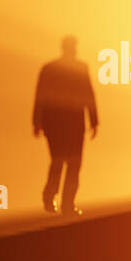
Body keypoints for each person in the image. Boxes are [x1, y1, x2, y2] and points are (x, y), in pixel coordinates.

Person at [33, 35, 98, 216]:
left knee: (63, 162)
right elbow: (88, 95)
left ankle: (59, 200)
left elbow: (88, 94)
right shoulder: (75, 68)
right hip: (67, 123)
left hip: (61, 124)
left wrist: (37, 121)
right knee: (68, 162)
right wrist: (94, 121)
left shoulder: (49, 69)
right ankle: (63, 202)